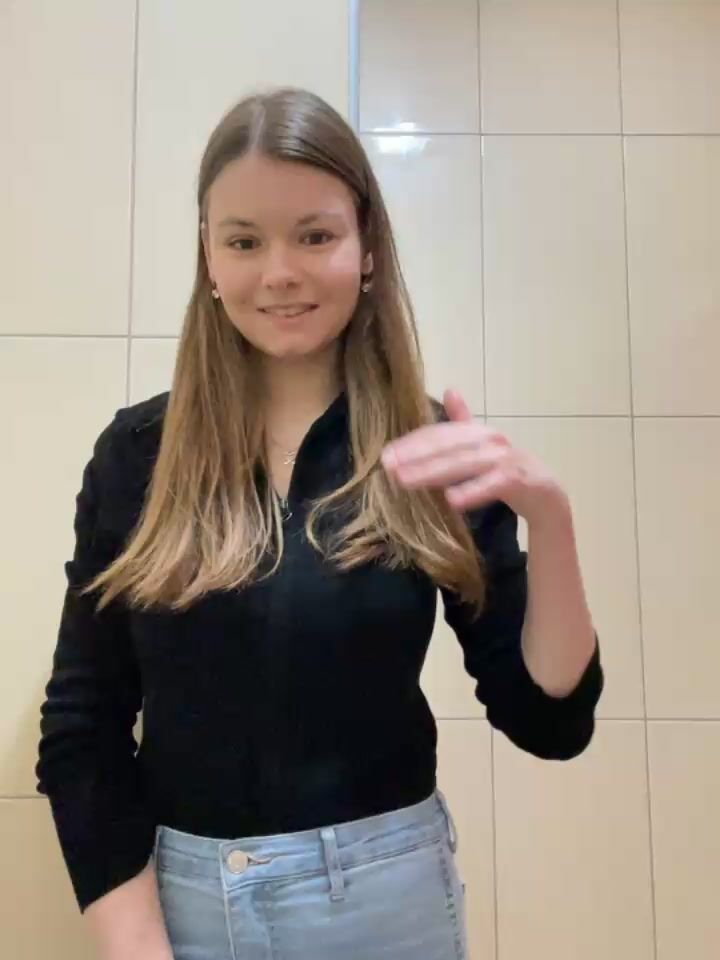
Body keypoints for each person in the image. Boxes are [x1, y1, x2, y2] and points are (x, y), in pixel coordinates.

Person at [36, 86, 604, 960]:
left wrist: (552, 521)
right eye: (244, 241)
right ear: (208, 257)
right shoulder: (136, 454)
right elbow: (82, 730)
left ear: (366, 247)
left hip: (388, 906)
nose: (280, 273)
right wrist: (138, 947)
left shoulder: (432, 451)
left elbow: (548, 722)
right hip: (181, 908)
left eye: (314, 235)